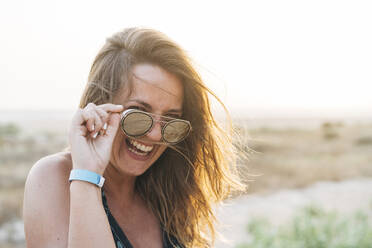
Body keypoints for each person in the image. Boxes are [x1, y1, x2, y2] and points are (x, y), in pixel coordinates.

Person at [23, 27, 244, 248]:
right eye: (138, 114)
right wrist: (87, 176)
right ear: (101, 105)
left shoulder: (163, 193)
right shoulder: (53, 177)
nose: (156, 134)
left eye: (170, 119)